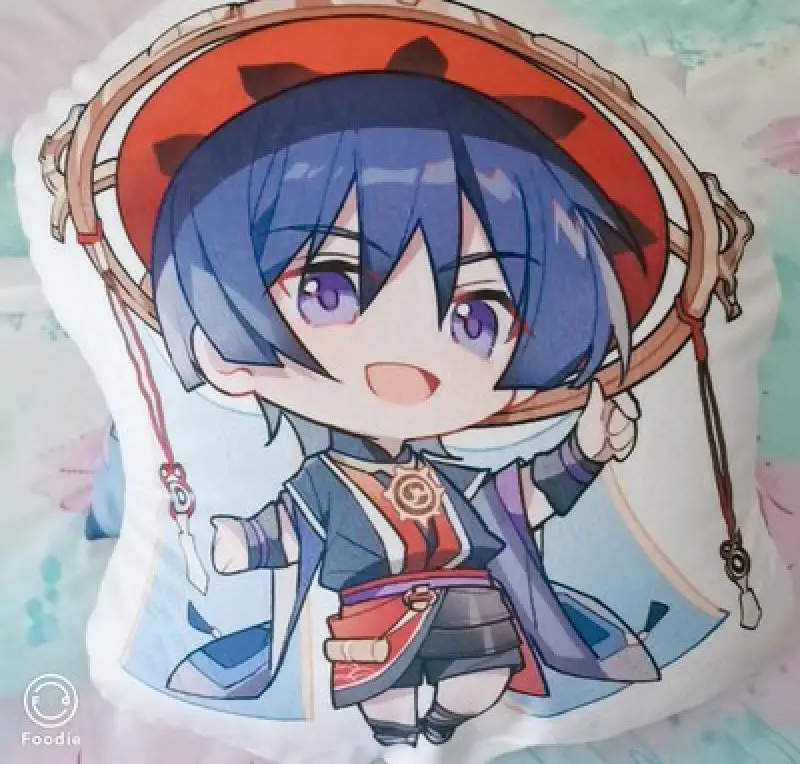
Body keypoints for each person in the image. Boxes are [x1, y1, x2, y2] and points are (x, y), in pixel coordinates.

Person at [155, 72, 659, 747]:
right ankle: (399, 737)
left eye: (477, 319)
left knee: (479, 684)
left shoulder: (449, 479)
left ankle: (442, 726)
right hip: (374, 610)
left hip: (468, 600)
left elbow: (519, 500)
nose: (409, 363)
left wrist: (585, 450)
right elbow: (290, 529)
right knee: (387, 702)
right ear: (227, 350)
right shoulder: (325, 483)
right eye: (328, 289)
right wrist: (239, 543)